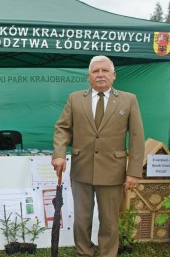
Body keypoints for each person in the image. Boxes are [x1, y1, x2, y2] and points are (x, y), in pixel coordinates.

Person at [51, 55, 145, 257]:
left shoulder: (129, 100)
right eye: (95, 71)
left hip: (113, 171)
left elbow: (137, 137)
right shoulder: (75, 98)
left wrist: (134, 171)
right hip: (81, 169)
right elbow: (62, 128)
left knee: (110, 221)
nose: (100, 74)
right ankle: (84, 253)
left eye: (104, 70)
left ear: (114, 75)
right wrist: (59, 154)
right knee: (81, 218)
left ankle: (107, 254)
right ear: (89, 76)